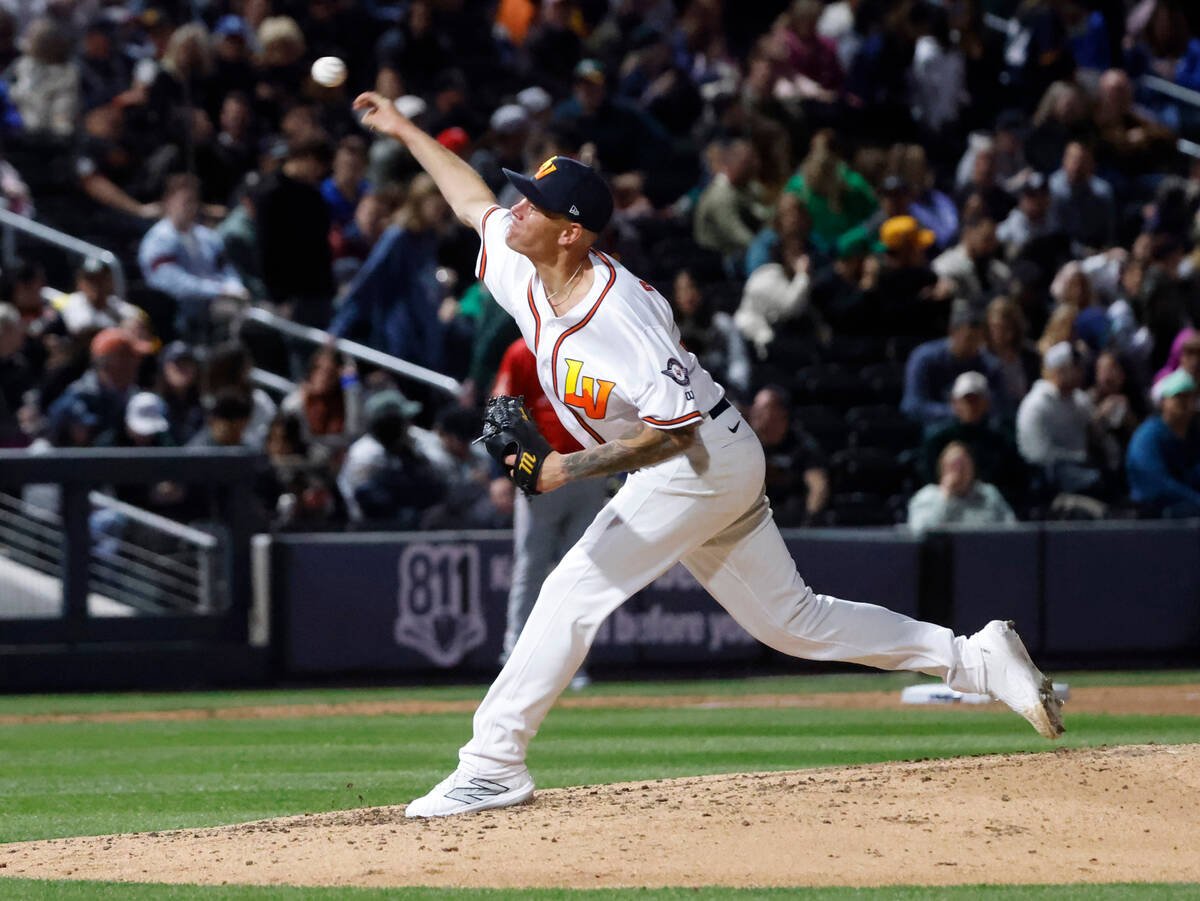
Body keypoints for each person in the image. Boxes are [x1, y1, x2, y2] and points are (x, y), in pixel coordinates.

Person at [352, 90, 1064, 820]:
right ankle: (976, 659)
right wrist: (407, 130)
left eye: (534, 202)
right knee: (794, 621)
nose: (517, 208)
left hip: (698, 458)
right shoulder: (523, 264)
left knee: (574, 588)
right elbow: (471, 200)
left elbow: (677, 433)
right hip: (704, 461)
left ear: (572, 232)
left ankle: (492, 762)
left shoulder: (619, 310)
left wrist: (567, 467)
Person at [492, 337, 609, 675]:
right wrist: (510, 468)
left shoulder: (588, 343)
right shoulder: (520, 351)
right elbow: (500, 415)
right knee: (531, 567)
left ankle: (572, 663)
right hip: (541, 472)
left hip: (590, 468)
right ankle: (515, 658)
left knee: (582, 572)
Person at [138, 174, 249, 343]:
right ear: (168, 201)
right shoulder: (158, 239)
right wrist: (219, 290)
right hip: (179, 315)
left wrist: (235, 286)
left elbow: (226, 268)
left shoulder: (208, 236)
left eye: (193, 201)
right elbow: (174, 284)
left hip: (217, 306)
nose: (189, 207)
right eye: (184, 201)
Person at [918, 371, 1027, 508]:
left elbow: (1013, 481)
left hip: (989, 506)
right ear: (954, 402)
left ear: (987, 403)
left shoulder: (1000, 440)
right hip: (946, 502)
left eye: (976, 399)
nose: (970, 405)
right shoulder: (937, 439)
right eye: (966, 399)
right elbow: (927, 478)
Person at [1016, 341, 1104, 499]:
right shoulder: (1036, 404)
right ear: (1060, 369)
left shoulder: (1078, 399)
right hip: (1048, 476)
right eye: (1076, 367)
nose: (1082, 372)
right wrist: (1079, 456)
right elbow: (1038, 455)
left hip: (1082, 467)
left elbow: (1096, 429)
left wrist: (1103, 417)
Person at [901, 300, 1008, 428]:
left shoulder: (989, 365)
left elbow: (1001, 404)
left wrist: (977, 410)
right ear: (952, 332)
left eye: (979, 339)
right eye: (969, 338)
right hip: (932, 432)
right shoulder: (925, 358)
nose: (974, 345)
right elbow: (913, 405)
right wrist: (955, 411)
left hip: (978, 432)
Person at [747, 385, 830, 526]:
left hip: (793, 522)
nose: (755, 413)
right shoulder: (746, 443)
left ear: (781, 413)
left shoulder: (802, 445)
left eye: (763, 408)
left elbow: (818, 486)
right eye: (755, 407)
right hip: (756, 522)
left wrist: (810, 521)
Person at [1125, 370, 1200, 517]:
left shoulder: (1194, 435)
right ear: (1163, 401)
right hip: (1151, 522)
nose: (1184, 402)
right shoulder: (1147, 436)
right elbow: (1156, 485)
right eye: (1178, 396)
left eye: (1189, 396)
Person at [908, 442, 1016, 532]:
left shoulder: (988, 493)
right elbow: (920, 533)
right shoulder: (927, 496)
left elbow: (1012, 529)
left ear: (972, 468)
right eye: (953, 466)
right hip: (946, 555)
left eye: (963, 466)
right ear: (942, 469)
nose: (959, 472)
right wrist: (944, 497)